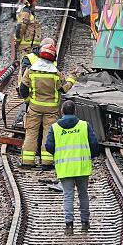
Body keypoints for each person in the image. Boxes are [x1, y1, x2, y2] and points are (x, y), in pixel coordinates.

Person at [44, 100, 98, 235]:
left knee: (68, 196)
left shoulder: (55, 127)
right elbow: (94, 144)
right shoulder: (84, 126)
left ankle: (69, 226)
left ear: (62, 112)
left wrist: (59, 154)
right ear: (75, 111)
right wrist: (89, 155)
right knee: (83, 195)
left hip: (65, 168)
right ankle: (85, 223)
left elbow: (49, 146)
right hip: (82, 167)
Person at [17, 41, 71, 169]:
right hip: (51, 109)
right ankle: (47, 162)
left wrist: (28, 100)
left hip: (34, 108)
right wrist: (72, 79)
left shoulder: (31, 71)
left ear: (40, 55)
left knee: (31, 133)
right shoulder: (56, 74)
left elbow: (23, 89)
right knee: (48, 134)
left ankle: (27, 162)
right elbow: (63, 89)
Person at [12, 0, 41, 64]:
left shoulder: (30, 12)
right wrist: (17, 42)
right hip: (26, 48)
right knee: (25, 69)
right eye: (35, 1)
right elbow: (20, 28)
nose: (36, 3)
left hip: (31, 47)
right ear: (29, 1)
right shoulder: (25, 13)